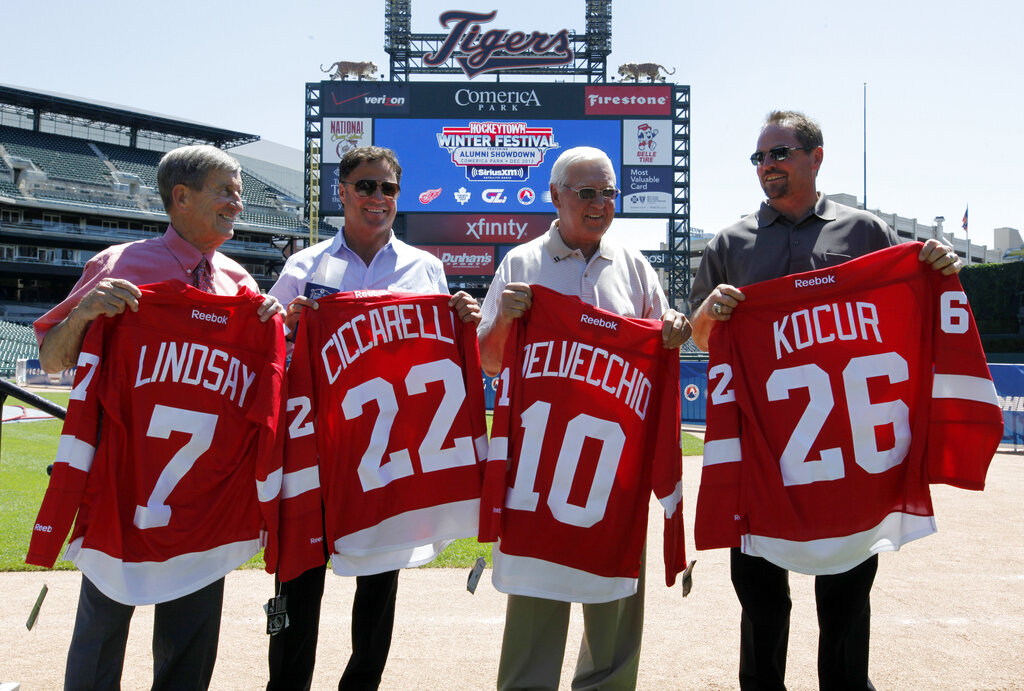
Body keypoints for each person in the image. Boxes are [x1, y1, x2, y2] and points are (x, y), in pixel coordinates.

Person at [689, 110, 962, 690]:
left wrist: (936, 265)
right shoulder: (731, 242)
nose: (768, 166)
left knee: (845, 600)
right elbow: (699, 336)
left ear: (816, 157)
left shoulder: (864, 232)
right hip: (761, 447)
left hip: (844, 449)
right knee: (760, 600)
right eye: (759, 158)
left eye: (780, 154)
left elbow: (908, 297)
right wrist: (712, 311)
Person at [32, 144, 283, 690]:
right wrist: (86, 311)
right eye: (227, 191)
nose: (237, 204)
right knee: (101, 636)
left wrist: (269, 323)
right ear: (182, 197)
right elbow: (53, 358)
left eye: (239, 192)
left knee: (189, 649)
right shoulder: (120, 264)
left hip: (204, 494)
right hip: (120, 485)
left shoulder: (240, 282)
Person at [266, 145, 480, 691]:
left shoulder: (424, 267)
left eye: (387, 188)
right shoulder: (304, 266)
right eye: (365, 186)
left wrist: (463, 320)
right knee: (300, 577)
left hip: (387, 450)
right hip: (316, 447)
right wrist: (287, 328)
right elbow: (265, 348)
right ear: (342, 191)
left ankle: (361, 686)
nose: (377, 198)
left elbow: (440, 354)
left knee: (380, 585)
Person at [476, 146, 691, 691]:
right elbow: (488, 359)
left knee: (615, 600)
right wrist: (505, 316)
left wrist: (672, 327)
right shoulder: (520, 263)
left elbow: (662, 344)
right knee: (535, 599)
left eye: (609, 192)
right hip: (538, 467)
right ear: (555, 196)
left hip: (615, 465)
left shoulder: (635, 264)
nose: (600, 204)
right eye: (587, 192)